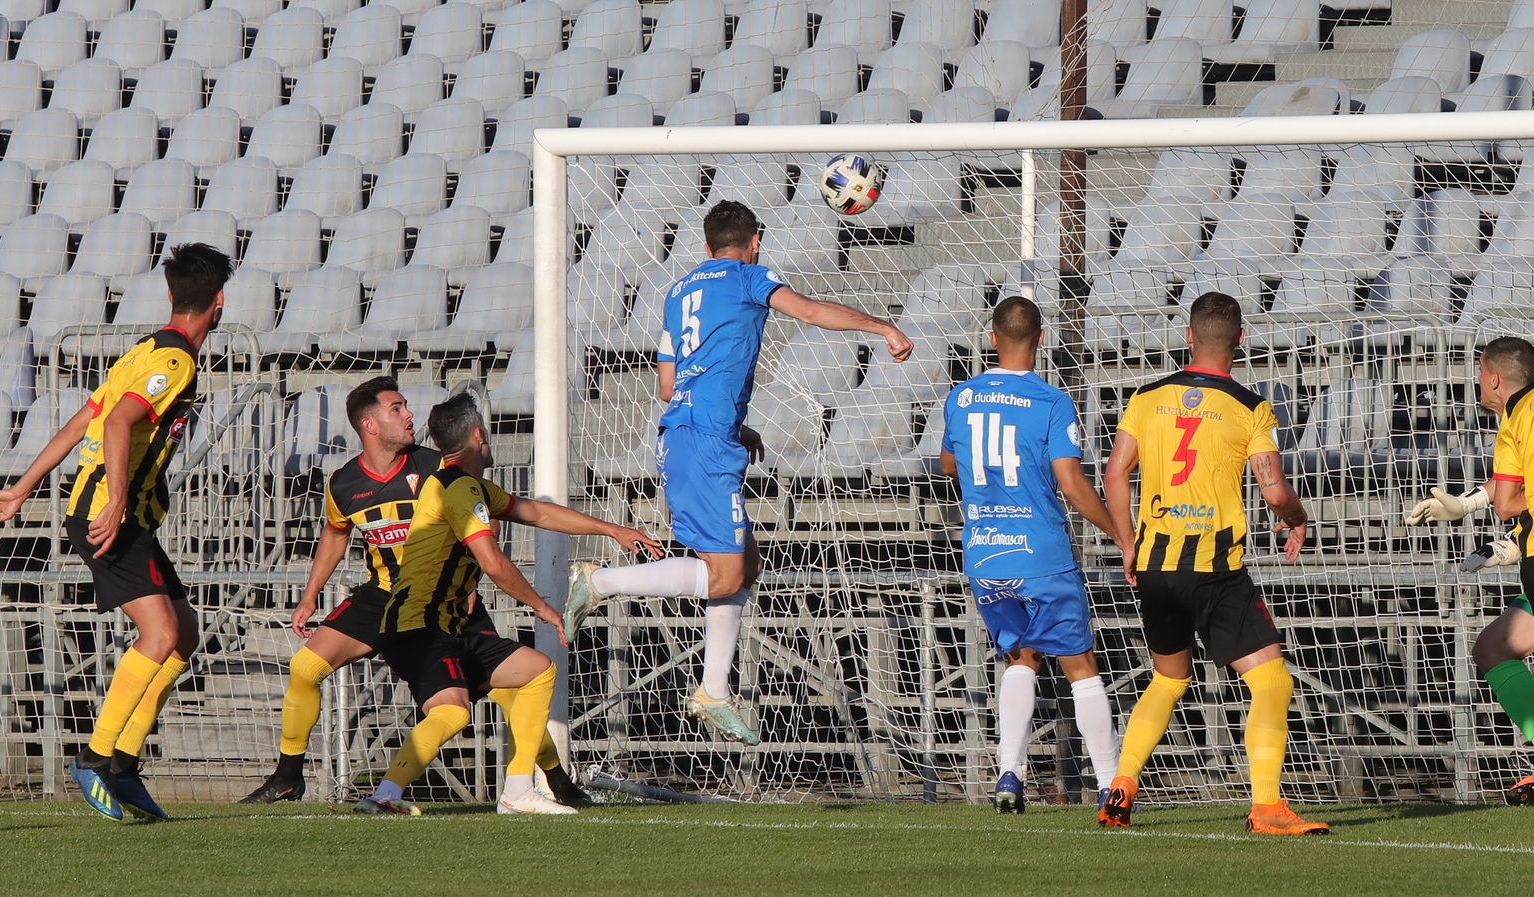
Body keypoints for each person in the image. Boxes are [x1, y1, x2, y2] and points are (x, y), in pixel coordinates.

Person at [563, 199, 914, 746]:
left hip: (690, 434)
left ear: (706, 247)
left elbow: (666, 386)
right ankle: (599, 582)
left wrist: (733, 422)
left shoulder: (677, 292)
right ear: (755, 242)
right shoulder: (752, 276)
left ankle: (713, 691)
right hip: (703, 443)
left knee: (744, 567)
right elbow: (810, 312)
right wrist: (882, 327)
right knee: (725, 576)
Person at [0, 243, 235, 821]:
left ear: (171, 295)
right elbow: (117, 420)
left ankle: (123, 766)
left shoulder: (144, 350)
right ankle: (95, 758)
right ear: (219, 303)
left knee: (184, 635)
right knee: (160, 634)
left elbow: (83, 420)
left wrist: (22, 488)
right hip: (109, 512)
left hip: (121, 512)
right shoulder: (176, 362)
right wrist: (116, 501)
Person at [354, 392, 663, 815]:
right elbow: (494, 563)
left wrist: (613, 530)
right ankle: (386, 795)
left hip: (448, 624)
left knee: (536, 671)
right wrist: (542, 606)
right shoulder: (457, 488)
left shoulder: (468, 486)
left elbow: (539, 514)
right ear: (478, 434)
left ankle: (522, 787)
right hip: (419, 623)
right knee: (453, 712)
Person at [1099, 292, 1328, 836]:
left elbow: (1113, 473)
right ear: (1241, 341)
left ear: (1188, 337)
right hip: (1213, 568)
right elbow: (1274, 492)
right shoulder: (1250, 406)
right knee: (1271, 681)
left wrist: (1128, 544)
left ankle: (1121, 788)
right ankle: (1267, 807)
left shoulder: (1146, 396)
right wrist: (1299, 517)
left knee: (1167, 679)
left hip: (1156, 565)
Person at [940, 296, 1127, 814]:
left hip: (985, 554)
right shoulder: (1051, 401)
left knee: (1020, 657)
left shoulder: (961, 397)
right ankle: (1111, 787)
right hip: (1039, 550)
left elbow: (949, 464)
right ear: (1041, 340)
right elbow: (1071, 482)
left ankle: (1009, 775)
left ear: (992, 338)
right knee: (1080, 665)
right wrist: (1120, 533)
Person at [1405, 336, 1534, 806]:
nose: (1478, 383)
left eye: (1479, 375)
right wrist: (1465, 505)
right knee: (1494, 647)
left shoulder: (1521, 418)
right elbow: (1509, 488)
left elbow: (1509, 502)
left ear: (1494, 378)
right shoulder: (1520, 416)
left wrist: (1511, 535)